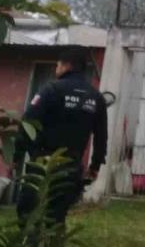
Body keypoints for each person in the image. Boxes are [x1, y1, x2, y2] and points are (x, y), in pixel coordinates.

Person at [15, 47, 108, 226]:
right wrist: (95, 166)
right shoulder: (96, 97)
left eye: (57, 65)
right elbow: (101, 136)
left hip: (42, 164)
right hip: (70, 166)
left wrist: (17, 155)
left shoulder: (51, 89)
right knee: (56, 216)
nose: (56, 69)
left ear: (66, 65)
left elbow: (28, 122)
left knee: (27, 213)